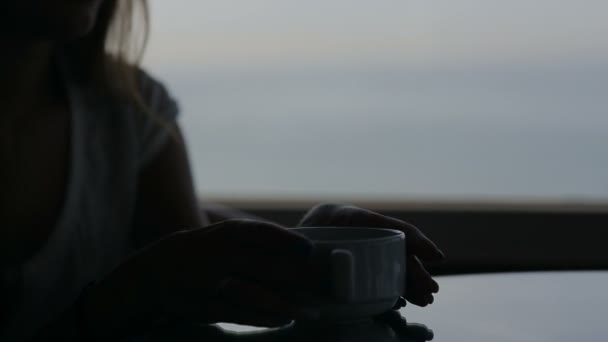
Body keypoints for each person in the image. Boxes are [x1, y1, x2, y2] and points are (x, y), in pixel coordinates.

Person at [0, 0, 444, 340]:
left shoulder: (127, 113)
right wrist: (121, 302)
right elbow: (168, 278)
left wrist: (306, 248)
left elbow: (190, 270)